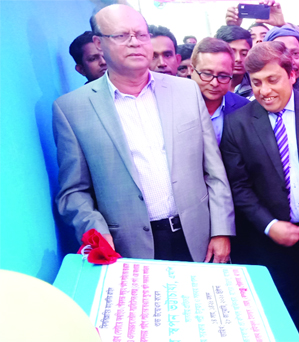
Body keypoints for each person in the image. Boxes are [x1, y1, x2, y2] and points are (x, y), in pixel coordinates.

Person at [53, 4, 235, 263]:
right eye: (121, 36)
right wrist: (96, 231)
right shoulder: (72, 109)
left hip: (199, 237)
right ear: (99, 43)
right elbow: (73, 191)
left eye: (141, 34)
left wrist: (221, 230)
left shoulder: (186, 91)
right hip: (127, 247)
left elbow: (214, 170)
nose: (134, 43)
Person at [220, 41, 299, 341]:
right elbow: (238, 185)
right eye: (256, 83)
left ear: (291, 74)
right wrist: (269, 225)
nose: (264, 90)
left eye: (272, 79)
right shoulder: (238, 124)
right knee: (287, 310)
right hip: (271, 240)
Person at [190, 38, 249, 144]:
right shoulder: (174, 106)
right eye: (207, 74)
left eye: (223, 76)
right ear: (191, 70)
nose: (215, 83)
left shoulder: (245, 109)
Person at [215, 25, 254, 99]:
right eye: (232, 52)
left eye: (244, 54)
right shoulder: (208, 85)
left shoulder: (256, 87)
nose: (238, 59)